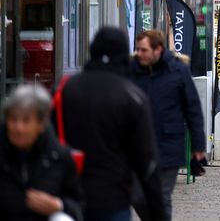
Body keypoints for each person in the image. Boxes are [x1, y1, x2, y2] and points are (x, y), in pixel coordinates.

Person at [62, 27, 164, 221]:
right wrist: (158, 213)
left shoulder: (65, 91)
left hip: (69, 197)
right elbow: (147, 162)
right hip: (112, 199)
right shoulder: (132, 97)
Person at [131, 30, 206, 221]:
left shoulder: (177, 70)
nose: (140, 54)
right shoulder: (132, 69)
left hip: (168, 143)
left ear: (158, 49)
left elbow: (193, 107)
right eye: (138, 49)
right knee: (136, 195)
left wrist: (198, 146)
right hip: (138, 146)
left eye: (144, 50)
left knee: (162, 197)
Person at [0, 85, 82, 221]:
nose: (18, 128)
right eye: (13, 119)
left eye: (26, 121)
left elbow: (78, 206)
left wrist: (59, 205)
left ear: (41, 124)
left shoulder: (59, 157)